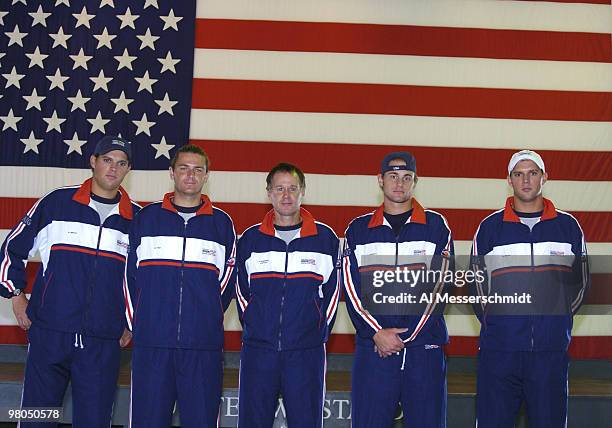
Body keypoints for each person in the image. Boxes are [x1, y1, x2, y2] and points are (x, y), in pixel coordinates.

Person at [0, 136, 138, 427]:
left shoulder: (136, 219)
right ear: (93, 161)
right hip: (51, 330)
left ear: (128, 169)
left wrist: (130, 320)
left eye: (121, 163)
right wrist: (16, 294)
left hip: (103, 339)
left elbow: (143, 280)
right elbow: (12, 248)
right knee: (38, 416)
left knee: (94, 419)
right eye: (107, 160)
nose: (113, 168)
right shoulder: (57, 203)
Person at [470, 150, 589, 428]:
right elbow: (477, 287)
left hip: (549, 353)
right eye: (518, 174)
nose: (526, 180)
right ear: (509, 180)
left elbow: (581, 284)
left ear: (544, 178)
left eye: (532, 173)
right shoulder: (490, 228)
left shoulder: (568, 227)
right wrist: (500, 326)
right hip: (500, 353)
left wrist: (555, 322)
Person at [125, 144, 236, 428]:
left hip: (202, 345)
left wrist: (204, 316)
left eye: (198, 169)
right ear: (172, 173)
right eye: (184, 168)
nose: (191, 175)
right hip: (153, 342)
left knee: (201, 420)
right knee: (147, 420)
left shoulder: (222, 225)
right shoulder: (146, 219)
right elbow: (129, 277)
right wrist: (140, 322)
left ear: (207, 175)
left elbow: (226, 283)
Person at [342, 151, 453, 428]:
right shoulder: (358, 230)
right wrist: (377, 333)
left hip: (423, 348)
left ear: (415, 181)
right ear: (380, 180)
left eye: (406, 177)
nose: (399, 184)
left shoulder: (436, 226)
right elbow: (350, 287)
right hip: (374, 348)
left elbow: (440, 286)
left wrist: (406, 337)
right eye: (393, 176)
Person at [235, 162, 340, 428]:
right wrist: (256, 328)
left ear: (303, 191)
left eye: (292, 188)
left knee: (306, 421)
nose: (286, 195)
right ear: (268, 192)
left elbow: (332, 292)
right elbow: (241, 292)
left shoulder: (325, 239)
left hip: (306, 352)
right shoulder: (250, 239)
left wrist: (314, 333)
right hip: (259, 351)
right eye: (279, 189)